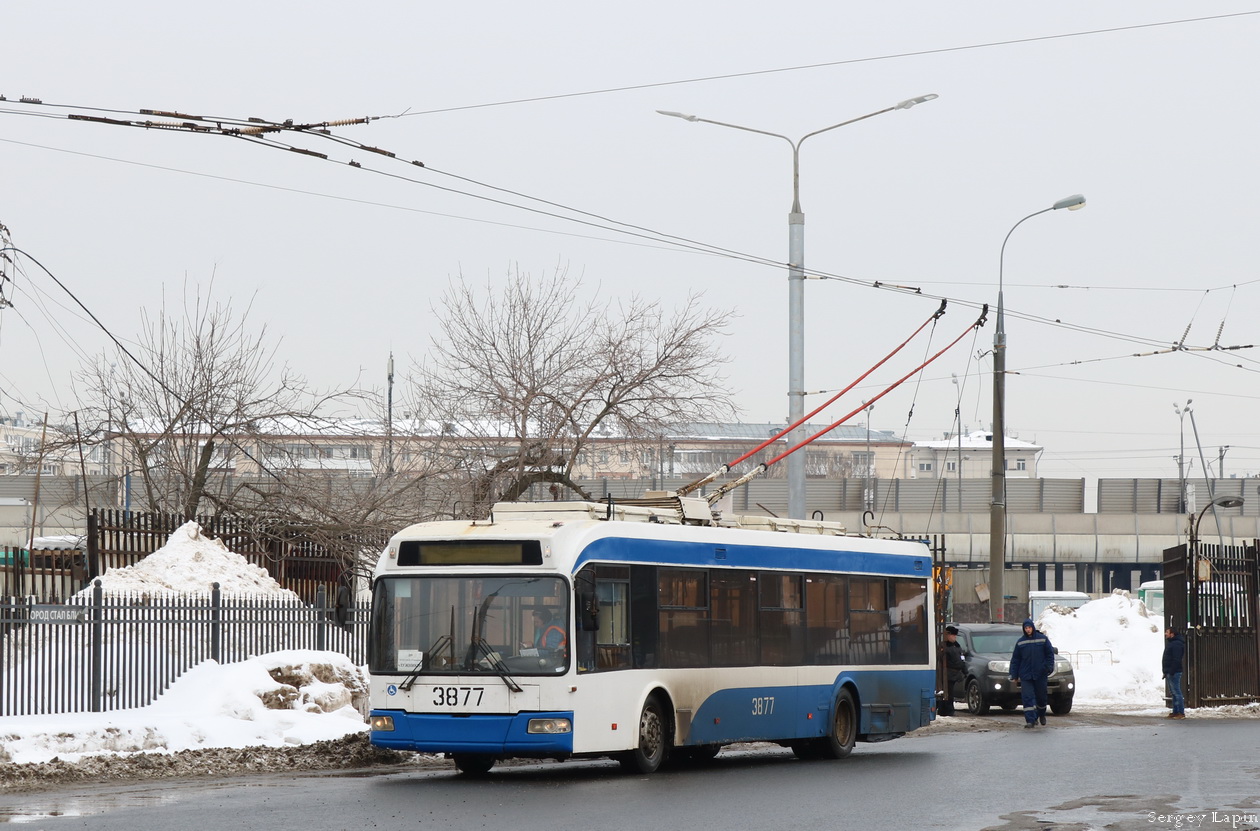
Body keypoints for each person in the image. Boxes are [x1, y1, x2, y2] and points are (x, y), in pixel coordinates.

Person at [1010, 618, 1055, 728]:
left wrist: (1048, 667)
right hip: (1026, 675)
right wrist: (1014, 675)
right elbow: (1015, 659)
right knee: (1027, 697)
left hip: (1040, 674)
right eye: (1026, 628)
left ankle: (1041, 714)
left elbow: (1050, 654)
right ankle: (1030, 720)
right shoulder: (1020, 642)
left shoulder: (1043, 639)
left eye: (1029, 627)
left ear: (1033, 628)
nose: (1028, 630)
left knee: (1041, 697)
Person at [940, 625, 966, 716]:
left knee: (951, 693)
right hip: (947, 673)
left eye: (955, 636)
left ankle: (948, 709)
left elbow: (961, 659)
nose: (954, 637)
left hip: (956, 673)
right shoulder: (944, 646)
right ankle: (948, 710)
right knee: (948, 693)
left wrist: (964, 670)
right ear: (948, 635)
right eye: (953, 635)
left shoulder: (957, 646)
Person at [1162, 626, 1186, 719]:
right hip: (1171, 671)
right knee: (1173, 692)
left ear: (1172, 634)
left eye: (1167, 632)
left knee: (1176, 692)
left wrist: (1171, 671)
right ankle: (1175, 711)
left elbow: (1176, 659)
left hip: (1174, 671)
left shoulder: (1176, 644)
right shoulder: (1173, 643)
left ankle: (1180, 712)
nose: (1165, 634)